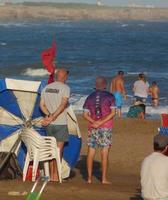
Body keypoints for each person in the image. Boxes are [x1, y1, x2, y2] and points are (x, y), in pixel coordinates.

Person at [83, 76, 116, 184]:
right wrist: (100, 122)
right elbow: (113, 113)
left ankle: (89, 178)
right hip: (105, 126)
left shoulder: (89, 97)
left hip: (93, 127)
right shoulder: (110, 96)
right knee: (104, 152)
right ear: (105, 85)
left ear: (95, 86)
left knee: (91, 151)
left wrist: (94, 122)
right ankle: (104, 179)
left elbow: (85, 114)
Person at [40, 68, 70, 182]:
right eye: (66, 76)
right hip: (60, 123)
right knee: (58, 150)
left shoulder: (46, 87)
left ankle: (52, 175)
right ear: (64, 77)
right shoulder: (65, 88)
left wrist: (48, 116)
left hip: (49, 124)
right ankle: (56, 176)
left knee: (52, 149)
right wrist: (53, 116)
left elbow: (41, 105)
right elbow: (62, 105)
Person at [141, 134, 168, 200]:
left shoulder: (146, 160)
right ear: (166, 147)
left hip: (146, 197)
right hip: (162, 197)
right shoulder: (166, 160)